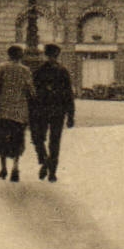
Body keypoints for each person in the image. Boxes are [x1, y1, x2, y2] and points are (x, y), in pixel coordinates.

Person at [30, 43, 77, 182]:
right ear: (58, 55)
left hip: (42, 110)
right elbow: (69, 94)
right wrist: (71, 115)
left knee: (38, 138)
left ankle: (44, 160)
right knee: (55, 141)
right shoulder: (63, 71)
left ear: (45, 54)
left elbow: (32, 93)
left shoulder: (38, 71)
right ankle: (52, 172)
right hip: (58, 111)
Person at [0, 45, 35, 182]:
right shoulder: (25, 70)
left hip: (3, 110)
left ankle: (3, 168)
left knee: (2, 138)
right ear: (20, 56)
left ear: (8, 55)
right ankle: (15, 167)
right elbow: (31, 91)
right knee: (17, 139)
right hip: (20, 112)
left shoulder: (2, 67)